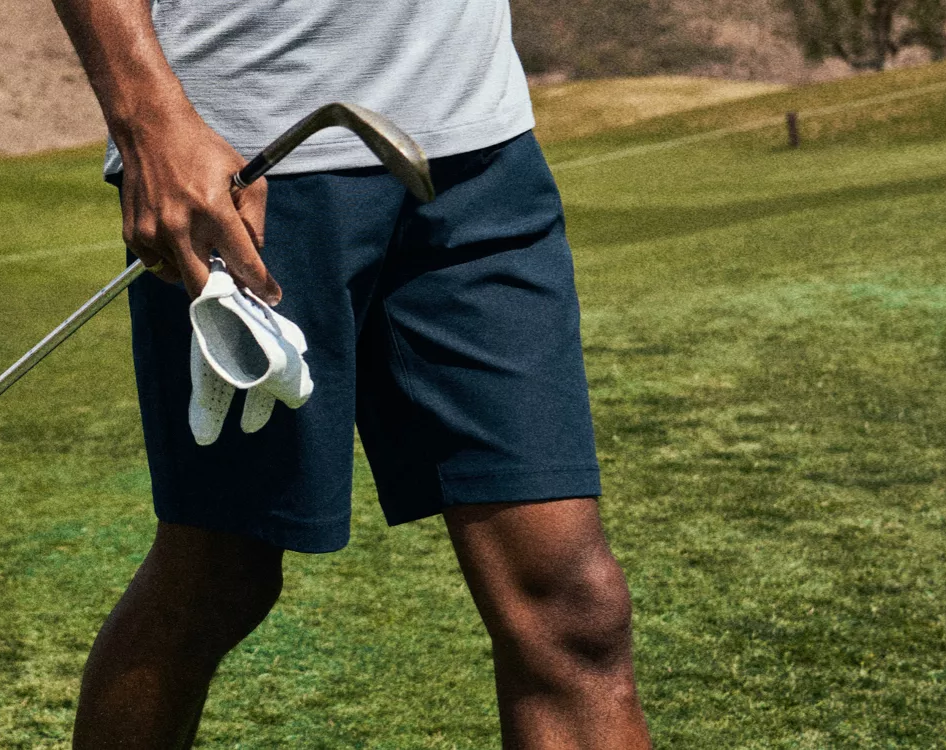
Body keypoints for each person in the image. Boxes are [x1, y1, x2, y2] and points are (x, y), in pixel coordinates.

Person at [48, 0, 652, 746]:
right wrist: (147, 120)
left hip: (478, 149)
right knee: (217, 578)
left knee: (573, 608)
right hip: (247, 164)